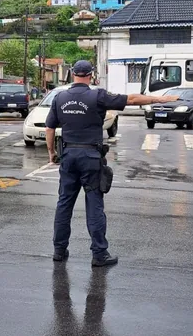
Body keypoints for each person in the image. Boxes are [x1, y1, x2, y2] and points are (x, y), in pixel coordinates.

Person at [45, 60, 179, 267]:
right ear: (91, 75)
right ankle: (99, 254)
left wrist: (52, 153)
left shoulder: (59, 97)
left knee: (64, 204)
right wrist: (161, 98)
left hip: (69, 155)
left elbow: (49, 128)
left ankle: (59, 250)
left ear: (72, 74)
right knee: (94, 205)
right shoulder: (98, 95)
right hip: (90, 156)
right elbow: (132, 99)